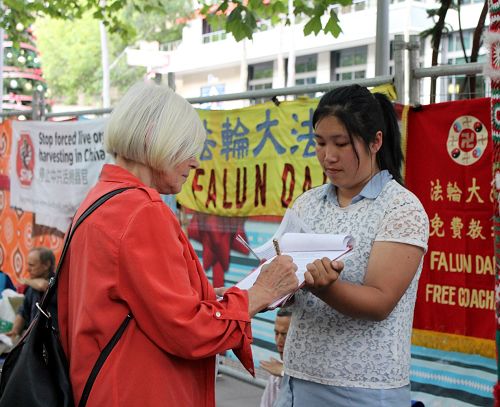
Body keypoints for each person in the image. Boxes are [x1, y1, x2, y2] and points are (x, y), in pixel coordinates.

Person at [57, 81, 312, 407]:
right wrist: (260, 293)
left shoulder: (102, 198)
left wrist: (202, 295)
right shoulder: (141, 211)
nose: (195, 162)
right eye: (186, 148)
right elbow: (188, 329)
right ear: (153, 139)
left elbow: (135, 303)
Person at [274, 85, 429, 407]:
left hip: (365, 390)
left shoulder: (400, 208)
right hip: (298, 378)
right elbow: (281, 275)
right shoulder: (308, 203)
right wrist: (265, 287)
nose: (328, 156)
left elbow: (379, 302)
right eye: (319, 142)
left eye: (341, 144)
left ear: (375, 141)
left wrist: (323, 286)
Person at [6, 247, 55, 339]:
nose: (28, 269)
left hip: (52, 339)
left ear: (46, 265)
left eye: (32, 265)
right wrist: (14, 331)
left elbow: (43, 286)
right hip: (33, 339)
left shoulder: (56, 282)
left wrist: (26, 281)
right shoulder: (32, 288)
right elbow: (23, 311)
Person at [259, 308, 291, 407]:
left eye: (285, 335)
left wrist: (284, 373)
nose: (278, 342)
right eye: (276, 333)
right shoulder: (275, 376)